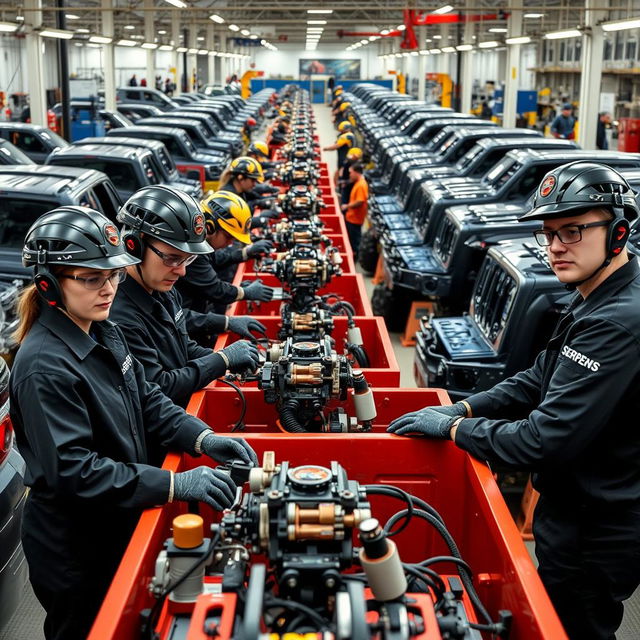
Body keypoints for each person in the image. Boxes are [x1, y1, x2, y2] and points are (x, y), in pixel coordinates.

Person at [387, 161, 640, 640]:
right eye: (549, 234)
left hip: (595, 528)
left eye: (573, 230)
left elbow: (542, 440)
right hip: (576, 512)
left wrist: (457, 431)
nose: (555, 247)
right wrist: (463, 408)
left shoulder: (615, 321)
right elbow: (537, 377)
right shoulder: (594, 295)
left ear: (620, 231)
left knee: (571, 628)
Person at [10, 206, 258, 640]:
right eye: (92, 279)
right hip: (74, 546)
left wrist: (201, 437)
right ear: (49, 285)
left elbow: (147, 398)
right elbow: (73, 470)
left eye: (114, 276)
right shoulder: (44, 367)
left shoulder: (102, 329)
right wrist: (173, 485)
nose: (108, 289)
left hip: (114, 519)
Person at [110, 186, 262, 412]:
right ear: (135, 245)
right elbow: (161, 385)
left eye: (187, 260)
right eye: (173, 259)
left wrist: (231, 360)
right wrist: (220, 361)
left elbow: (183, 346)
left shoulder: (162, 289)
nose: (181, 272)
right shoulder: (119, 316)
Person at [176, 190, 274, 319]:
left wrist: (245, 253)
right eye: (228, 237)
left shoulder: (199, 242)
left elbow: (214, 258)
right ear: (210, 226)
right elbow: (215, 289)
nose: (230, 243)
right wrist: (243, 292)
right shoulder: (191, 251)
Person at [341, 162, 368, 256]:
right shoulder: (358, 183)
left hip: (355, 219)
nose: (350, 175)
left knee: (354, 242)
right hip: (352, 217)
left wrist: (346, 206)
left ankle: (354, 256)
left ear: (357, 172)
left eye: (351, 172)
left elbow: (360, 201)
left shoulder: (361, 185)